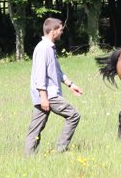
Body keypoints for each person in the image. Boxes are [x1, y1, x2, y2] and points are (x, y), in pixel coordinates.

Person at [25, 17, 82, 156]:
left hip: (46, 94)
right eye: (60, 30)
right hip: (48, 95)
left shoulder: (49, 47)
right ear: (53, 31)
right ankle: (60, 150)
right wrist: (43, 97)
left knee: (36, 128)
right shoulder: (43, 49)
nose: (62, 32)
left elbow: (56, 71)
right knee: (73, 115)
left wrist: (70, 84)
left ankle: (29, 158)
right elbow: (39, 75)